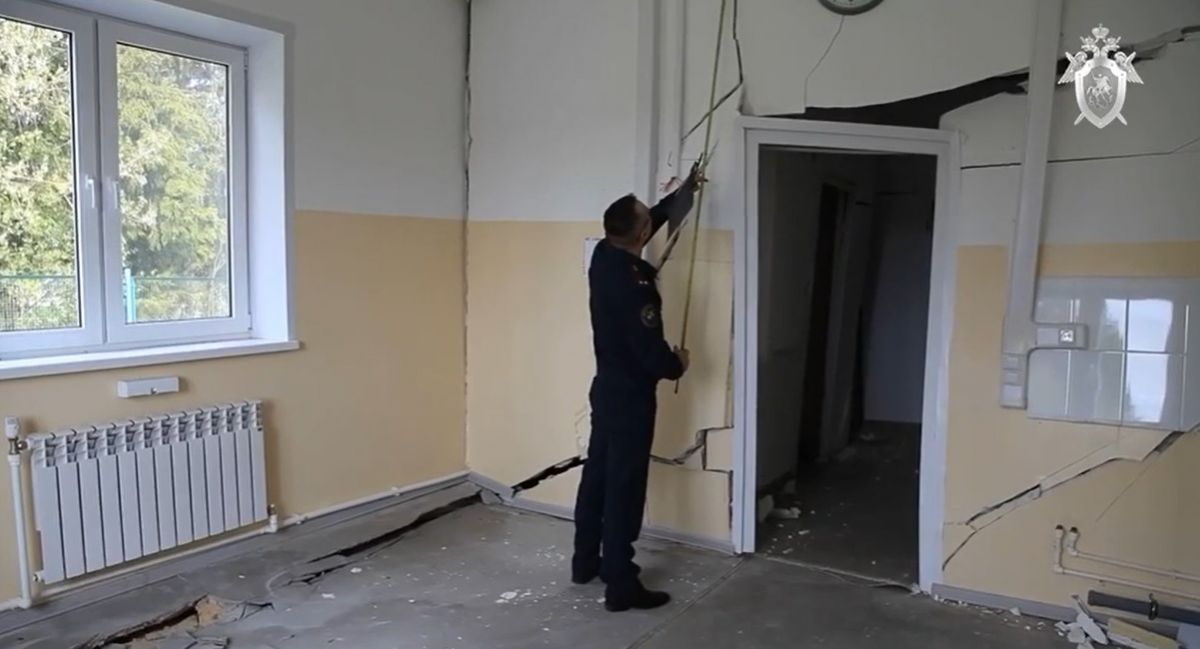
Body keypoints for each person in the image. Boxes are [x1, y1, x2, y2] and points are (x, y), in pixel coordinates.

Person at [572, 166, 702, 612]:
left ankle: (585, 562)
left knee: (597, 478)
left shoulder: (603, 257)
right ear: (642, 233)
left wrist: (681, 196)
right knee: (624, 488)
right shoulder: (637, 285)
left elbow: (646, 224)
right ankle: (621, 583)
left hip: (606, 390)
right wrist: (677, 364)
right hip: (630, 399)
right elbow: (651, 355)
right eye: (648, 218)